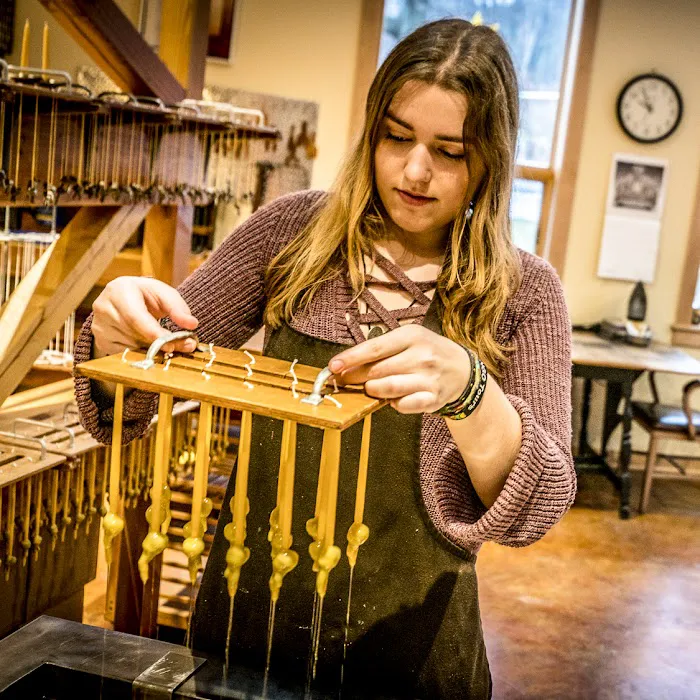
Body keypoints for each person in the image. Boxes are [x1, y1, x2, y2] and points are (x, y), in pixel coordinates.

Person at [74, 18, 575, 699]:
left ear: (492, 159)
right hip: (250, 617)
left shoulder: (525, 293)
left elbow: (541, 504)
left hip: (412, 646)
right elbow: (136, 391)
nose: (415, 170)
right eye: (396, 138)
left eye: (450, 152)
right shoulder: (290, 232)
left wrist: (470, 391)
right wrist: (115, 336)